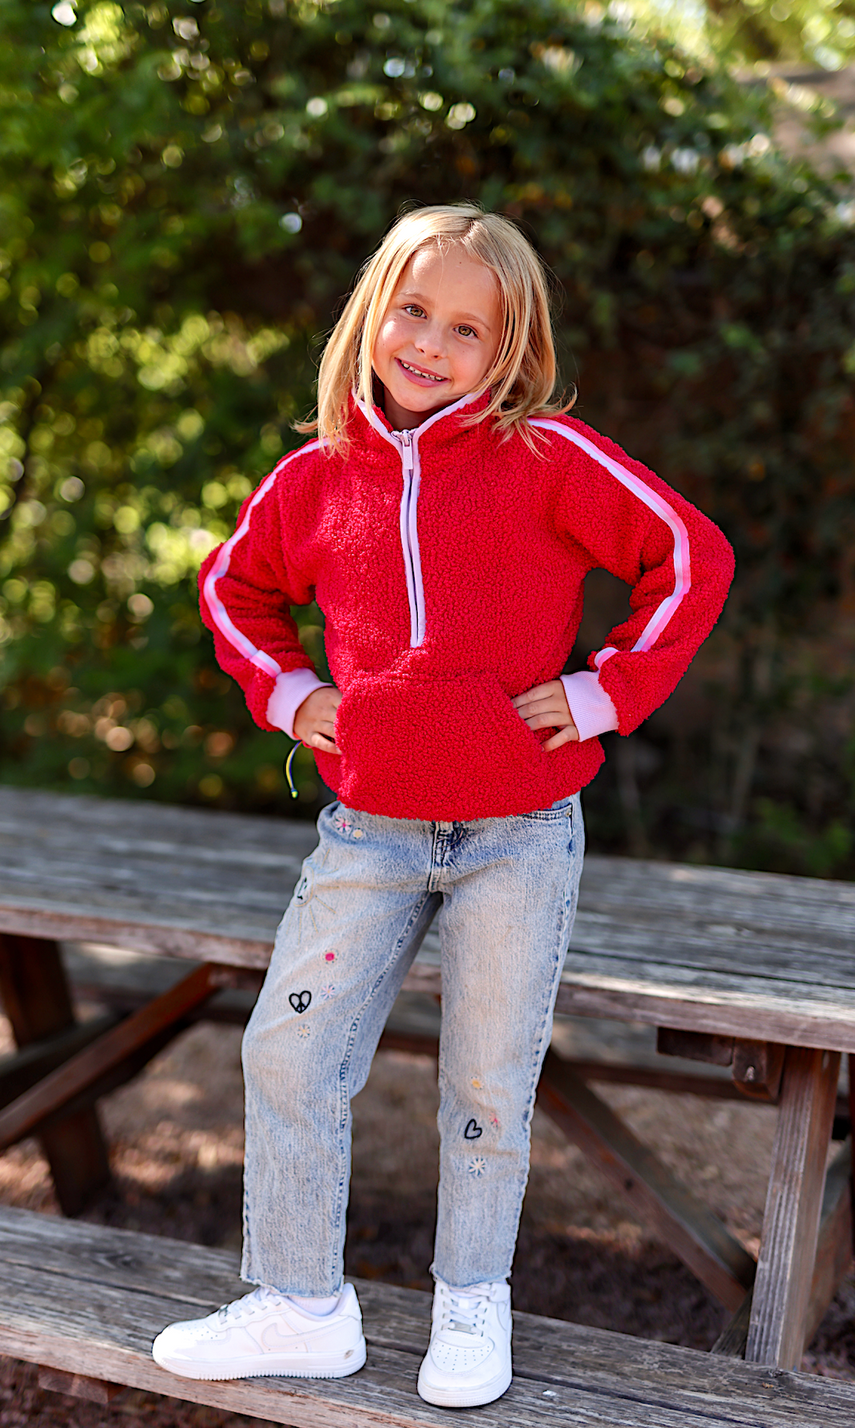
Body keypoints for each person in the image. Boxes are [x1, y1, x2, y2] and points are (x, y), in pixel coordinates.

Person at [151, 203, 734, 1407]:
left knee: (485, 1079)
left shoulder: (546, 460)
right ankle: (299, 1303)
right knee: (289, 1051)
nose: (428, 341)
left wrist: (604, 689)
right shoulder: (316, 477)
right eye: (413, 309)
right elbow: (231, 585)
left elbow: (690, 551)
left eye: (465, 327)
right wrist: (290, 692)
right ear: (374, 308)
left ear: (508, 350)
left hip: (516, 833)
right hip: (366, 831)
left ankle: (473, 1306)